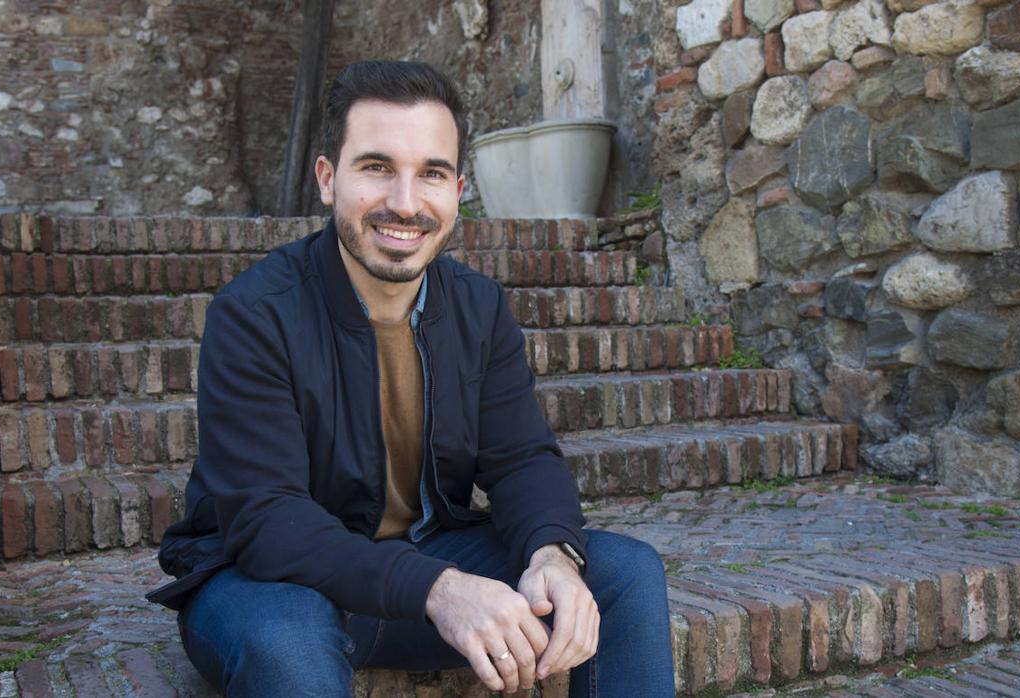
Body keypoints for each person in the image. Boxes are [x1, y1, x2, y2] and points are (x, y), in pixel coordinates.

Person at [147, 60, 675, 697]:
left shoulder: (478, 307)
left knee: (625, 575)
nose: (404, 202)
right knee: (284, 642)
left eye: (430, 172)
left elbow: (520, 460)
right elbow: (267, 519)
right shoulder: (255, 314)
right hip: (274, 583)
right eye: (376, 167)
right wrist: (439, 588)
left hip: (428, 561)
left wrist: (553, 554)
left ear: (457, 189)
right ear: (326, 179)